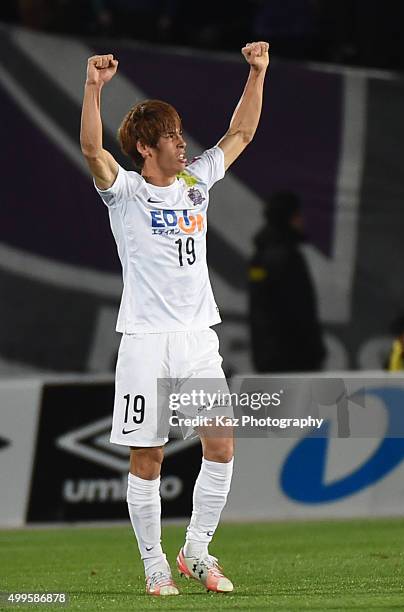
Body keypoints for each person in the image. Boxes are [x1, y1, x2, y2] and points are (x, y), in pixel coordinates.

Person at [80, 42, 269, 596]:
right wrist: (94, 88)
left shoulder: (195, 182)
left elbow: (241, 134)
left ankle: (196, 550)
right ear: (145, 146)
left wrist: (257, 73)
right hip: (144, 340)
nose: (183, 143)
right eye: (171, 137)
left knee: (222, 443)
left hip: (195, 339)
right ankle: (154, 565)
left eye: (181, 135)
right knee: (149, 456)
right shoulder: (128, 193)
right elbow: (92, 147)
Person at [249, 190, 326, 373]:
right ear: (290, 218)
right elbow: (299, 309)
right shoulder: (287, 257)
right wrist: (313, 351)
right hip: (293, 359)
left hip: (267, 356)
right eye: (298, 215)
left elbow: (260, 309)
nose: (302, 221)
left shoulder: (260, 256)